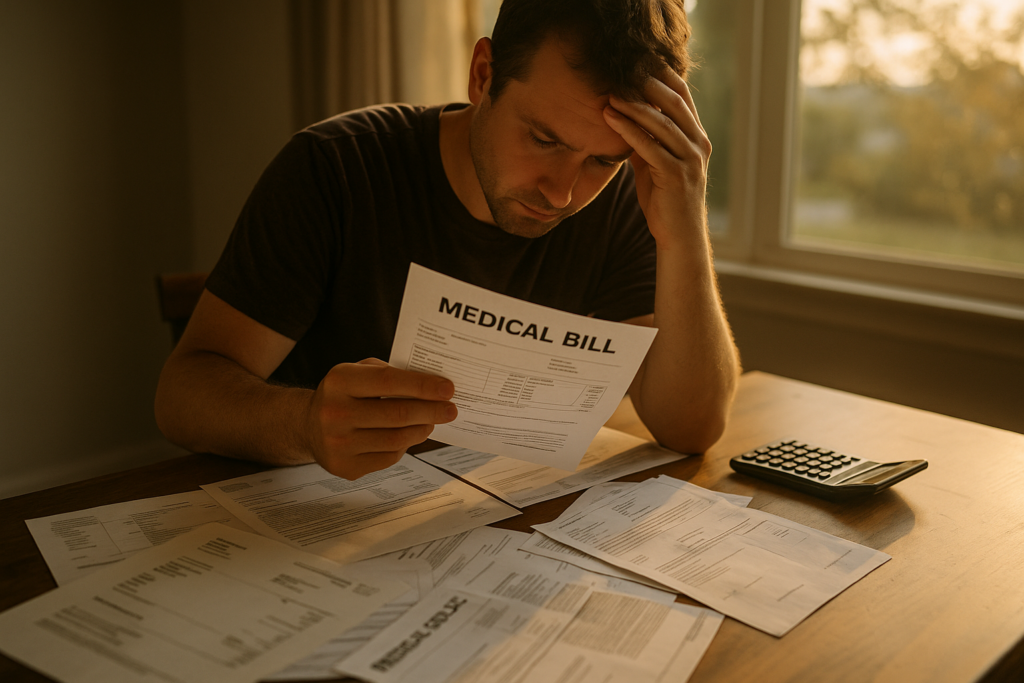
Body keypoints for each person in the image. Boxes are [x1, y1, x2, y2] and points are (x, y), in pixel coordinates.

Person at [154, 0, 741, 481]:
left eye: (602, 161)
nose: (563, 193)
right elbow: (182, 395)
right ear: (482, 75)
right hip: (303, 516)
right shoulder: (335, 169)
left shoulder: (620, 197)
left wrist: (685, 225)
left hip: (483, 524)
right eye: (544, 139)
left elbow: (690, 427)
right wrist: (305, 421)